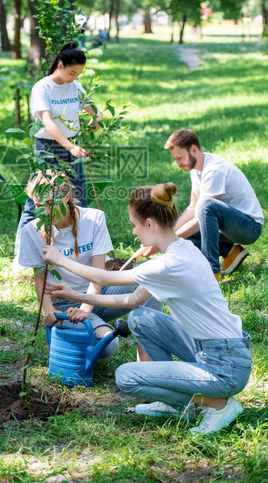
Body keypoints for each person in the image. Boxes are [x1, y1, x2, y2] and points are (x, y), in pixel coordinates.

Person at [43, 183, 252, 435]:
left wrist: (60, 260)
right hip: (223, 351)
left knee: (126, 376)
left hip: (224, 367)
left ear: (150, 224)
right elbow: (131, 302)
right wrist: (76, 295)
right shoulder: (183, 249)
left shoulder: (168, 265)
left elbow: (105, 278)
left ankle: (218, 404)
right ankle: (172, 405)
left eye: (135, 224)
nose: (134, 231)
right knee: (140, 318)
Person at [18, 171, 162, 360]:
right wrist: (49, 310)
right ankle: (92, 328)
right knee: (108, 347)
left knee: (153, 283)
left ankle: (145, 360)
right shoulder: (32, 231)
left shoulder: (94, 219)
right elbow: (40, 278)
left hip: (99, 293)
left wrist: (86, 309)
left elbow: (98, 274)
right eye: (38, 205)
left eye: (49, 204)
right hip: (66, 305)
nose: (44, 211)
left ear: (67, 197)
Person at [14, 41, 102, 260]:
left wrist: (96, 119)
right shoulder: (42, 87)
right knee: (38, 200)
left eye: (79, 74)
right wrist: (69, 146)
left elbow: (95, 111)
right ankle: (21, 255)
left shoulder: (75, 87)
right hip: (48, 149)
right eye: (72, 72)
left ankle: (82, 252)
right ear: (60, 65)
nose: (75, 77)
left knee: (79, 196)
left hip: (73, 148)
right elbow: (47, 122)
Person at [160, 128, 264, 279]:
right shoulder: (195, 170)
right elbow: (192, 208)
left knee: (206, 205)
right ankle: (230, 252)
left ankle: (212, 272)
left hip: (249, 227)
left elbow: (203, 212)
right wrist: (167, 234)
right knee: (185, 236)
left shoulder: (215, 169)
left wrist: (170, 239)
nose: (177, 163)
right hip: (229, 227)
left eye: (179, 158)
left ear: (194, 149)